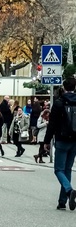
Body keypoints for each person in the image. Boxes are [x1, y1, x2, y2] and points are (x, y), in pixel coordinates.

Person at [44, 77, 76, 210]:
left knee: (58, 170)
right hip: (74, 140)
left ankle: (69, 190)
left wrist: (46, 141)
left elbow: (52, 124)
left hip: (62, 140)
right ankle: (62, 201)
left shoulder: (59, 103)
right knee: (67, 169)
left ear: (63, 87)